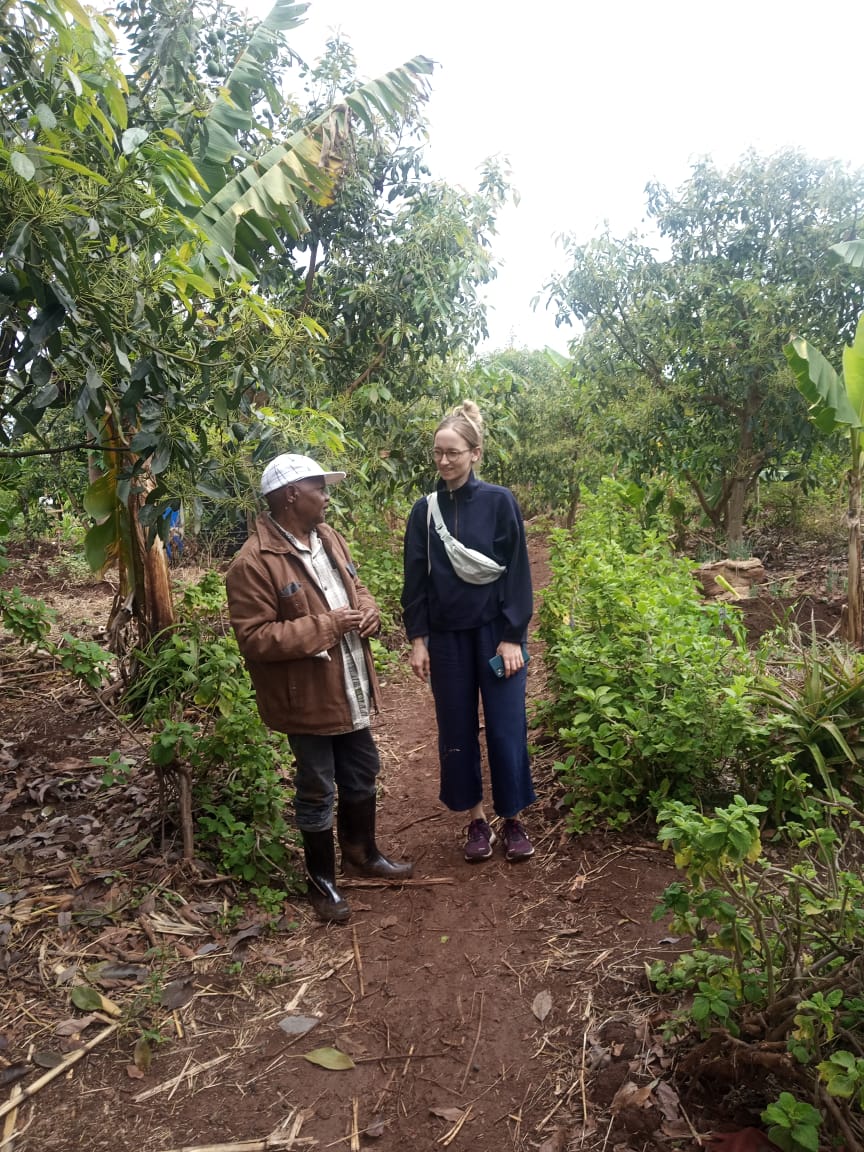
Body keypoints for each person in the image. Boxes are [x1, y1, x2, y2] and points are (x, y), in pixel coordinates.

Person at [226, 453, 413, 923]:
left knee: (362, 769)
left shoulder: (328, 537)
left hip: (346, 684)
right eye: (319, 489)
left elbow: (356, 586)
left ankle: (361, 853)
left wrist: (367, 609)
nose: (327, 497)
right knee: (316, 786)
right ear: (292, 495)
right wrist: (327, 626)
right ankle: (321, 882)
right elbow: (255, 638)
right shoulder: (253, 562)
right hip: (306, 698)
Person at [401, 401, 537, 863]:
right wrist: (418, 640)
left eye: (453, 453)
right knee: (456, 729)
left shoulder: (499, 502)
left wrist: (513, 635)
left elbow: (517, 570)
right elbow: (415, 580)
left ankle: (512, 818)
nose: (444, 461)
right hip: (447, 639)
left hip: (496, 635)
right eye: (438, 453)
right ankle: (476, 820)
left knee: (505, 728)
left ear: (475, 454)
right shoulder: (425, 511)